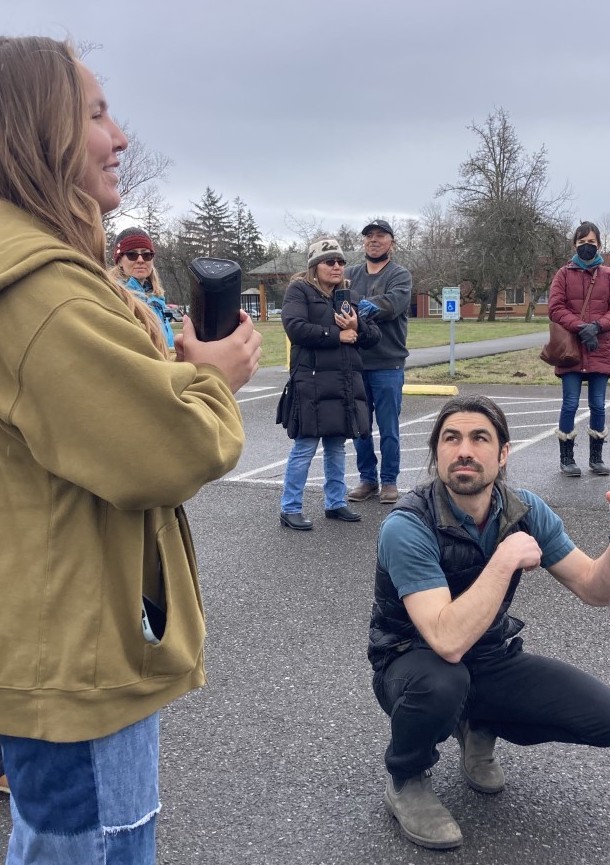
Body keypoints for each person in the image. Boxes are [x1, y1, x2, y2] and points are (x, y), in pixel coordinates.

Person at [0, 36, 261, 864]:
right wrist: (211, 380)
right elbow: (165, 447)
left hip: (54, 634)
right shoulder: (41, 291)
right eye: (97, 113)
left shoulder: (45, 270)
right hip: (76, 655)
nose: (120, 138)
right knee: (92, 846)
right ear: (37, 131)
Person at [368, 394, 610, 850]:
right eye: (451, 438)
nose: (464, 449)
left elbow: (595, 590)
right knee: (443, 682)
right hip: (412, 664)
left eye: (479, 438)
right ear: (436, 453)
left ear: (502, 455)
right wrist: (504, 559)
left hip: (489, 657)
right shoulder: (408, 525)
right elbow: (445, 639)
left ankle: (478, 724)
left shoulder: (525, 509)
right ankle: (407, 779)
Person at [277, 237, 381, 530]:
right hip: (310, 382)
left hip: (343, 382)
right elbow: (295, 328)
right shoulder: (300, 290)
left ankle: (336, 503)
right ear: (314, 266)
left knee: (337, 445)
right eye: (330, 261)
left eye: (341, 261)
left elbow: (374, 337)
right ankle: (290, 507)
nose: (337, 266)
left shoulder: (349, 294)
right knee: (305, 446)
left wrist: (356, 326)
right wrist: (336, 335)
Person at [548, 221, 610, 477]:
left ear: (599, 245)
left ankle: (596, 458)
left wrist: (598, 327)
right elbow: (555, 308)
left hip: (600, 349)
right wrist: (583, 327)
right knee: (570, 403)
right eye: (582, 243)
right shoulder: (563, 274)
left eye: (591, 243)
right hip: (571, 350)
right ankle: (566, 458)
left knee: (598, 405)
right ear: (574, 245)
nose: (587, 247)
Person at [345, 220, 412, 505]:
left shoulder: (400, 275)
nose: (374, 240)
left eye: (380, 235)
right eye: (369, 236)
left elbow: (392, 304)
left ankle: (389, 481)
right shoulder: (349, 274)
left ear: (392, 243)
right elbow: (338, 301)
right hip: (356, 363)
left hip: (388, 364)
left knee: (388, 428)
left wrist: (362, 308)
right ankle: (367, 479)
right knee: (360, 427)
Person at [109, 226, 176, 350]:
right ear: (119, 261)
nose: (140, 260)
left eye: (146, 254)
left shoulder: (157, 297)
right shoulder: (114, 297)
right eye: (132, 254)